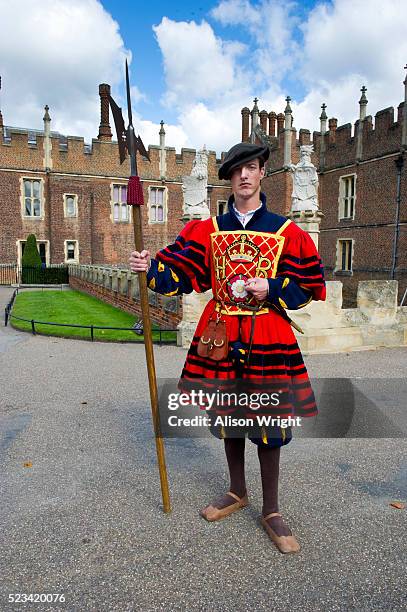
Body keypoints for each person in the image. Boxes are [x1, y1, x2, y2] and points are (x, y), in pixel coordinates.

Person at [129, 142, 326, 554]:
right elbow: (179, 272)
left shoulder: (285, 231)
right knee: (229, 415)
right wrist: (151, 267)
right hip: (220, 334)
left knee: (270, 423)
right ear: (230, 179)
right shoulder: (209, 230)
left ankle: (271, 510)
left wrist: (271, 287)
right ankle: (238, 491)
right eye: (237, 170)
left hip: (268, 335)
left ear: (262, 174)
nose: (244, 176)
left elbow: (308, 287)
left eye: (251, 168)